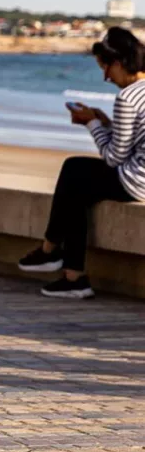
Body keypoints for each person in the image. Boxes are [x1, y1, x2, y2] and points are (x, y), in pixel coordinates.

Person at [18, 26, 145, 299]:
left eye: (106, 69)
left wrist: (91, 123)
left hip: (137, 182)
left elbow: (113, 157)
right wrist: (107, 123)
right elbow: (136, 142)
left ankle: (52, 252)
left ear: (120, 63)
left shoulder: (128, 97)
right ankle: (69, 272)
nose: (105, 78)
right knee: (78, 186)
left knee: (74, 170)